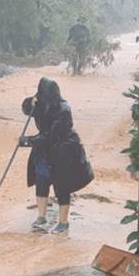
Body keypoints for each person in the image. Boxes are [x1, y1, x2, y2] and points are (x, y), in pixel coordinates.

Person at [20, 77, 94, 234]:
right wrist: (29, 102)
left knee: (62, 186)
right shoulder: (39, 103)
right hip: (43, 152)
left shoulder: (63, 109)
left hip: (63, 151)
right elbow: (26, 110)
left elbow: (51, 136)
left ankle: (63, 222)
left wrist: (29, 141)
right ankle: (41, 216)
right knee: (41, 181)